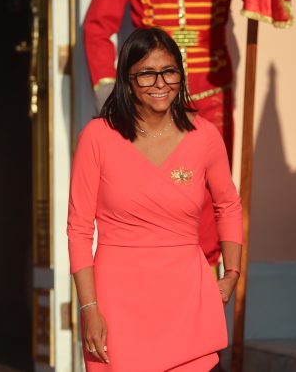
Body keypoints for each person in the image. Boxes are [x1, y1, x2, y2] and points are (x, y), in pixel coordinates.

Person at [83, 0, 293, 273]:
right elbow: (97, 25)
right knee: (148, 193)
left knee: (211, 198)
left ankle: (206, 283)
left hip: (211, 95)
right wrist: (109, 91)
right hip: (151, 99)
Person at [68, 28, 242, 371]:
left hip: (188, 302)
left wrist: (232, 272)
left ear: (181, 74)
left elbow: (228, 205)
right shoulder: (97, 137)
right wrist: (89, 309)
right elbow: (78, 230)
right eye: (147, 73)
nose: (160, 83)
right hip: (117, 306)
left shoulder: (204, 136)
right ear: (127, 79)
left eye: (169, 71)